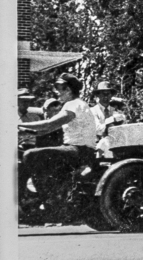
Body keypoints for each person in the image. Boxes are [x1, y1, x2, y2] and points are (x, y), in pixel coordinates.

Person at [19, 73, 97, 201]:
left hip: (78, 151)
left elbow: (49, 123)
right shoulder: (78, 104)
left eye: (60, 89)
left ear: (68, 90)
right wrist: (23, 132)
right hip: (79, 150)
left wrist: (17, 125)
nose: (57, 93)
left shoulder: (73, 104)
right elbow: (48, 129)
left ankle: (46, 199)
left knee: (29, 155)